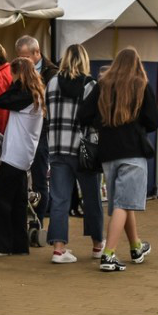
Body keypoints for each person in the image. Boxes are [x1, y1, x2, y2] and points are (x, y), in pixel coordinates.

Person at [77, 48, 158, 272]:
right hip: (133, 151)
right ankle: (109, 254)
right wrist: (136, 124)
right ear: (137, 64)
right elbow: (153, 121)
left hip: (108, 153)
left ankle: (136, 246)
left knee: (124, 200)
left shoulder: (102, 86)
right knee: (123, 203)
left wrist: (103, 122)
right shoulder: (141, 85)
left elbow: (83, 115)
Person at [44, 44, 104, 264]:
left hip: (57, 148)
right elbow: (96, 120)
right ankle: (98, 245)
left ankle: (59, 249)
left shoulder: (51, 83)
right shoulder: (90, 85)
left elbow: (47, 115)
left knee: (59, 198)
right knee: (92, 198)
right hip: (83, 150)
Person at [0, 58, 45, 257]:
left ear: (18, 74)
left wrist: (14, 84)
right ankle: (19, 244)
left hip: (15, 155)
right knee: (18, 200)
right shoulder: (34, 94)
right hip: (24, 154)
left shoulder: (24, 95)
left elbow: (0, 101)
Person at [15, 35, 57, 230]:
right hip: (22, 133)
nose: (22, 61)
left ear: (37, 53)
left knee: (40, 179)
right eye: (19, 57)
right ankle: (20, 222)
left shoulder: (52, 74)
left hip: (42, 133)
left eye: (25, 57)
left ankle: (37, 224)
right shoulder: (17, 72)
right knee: (20, 178)